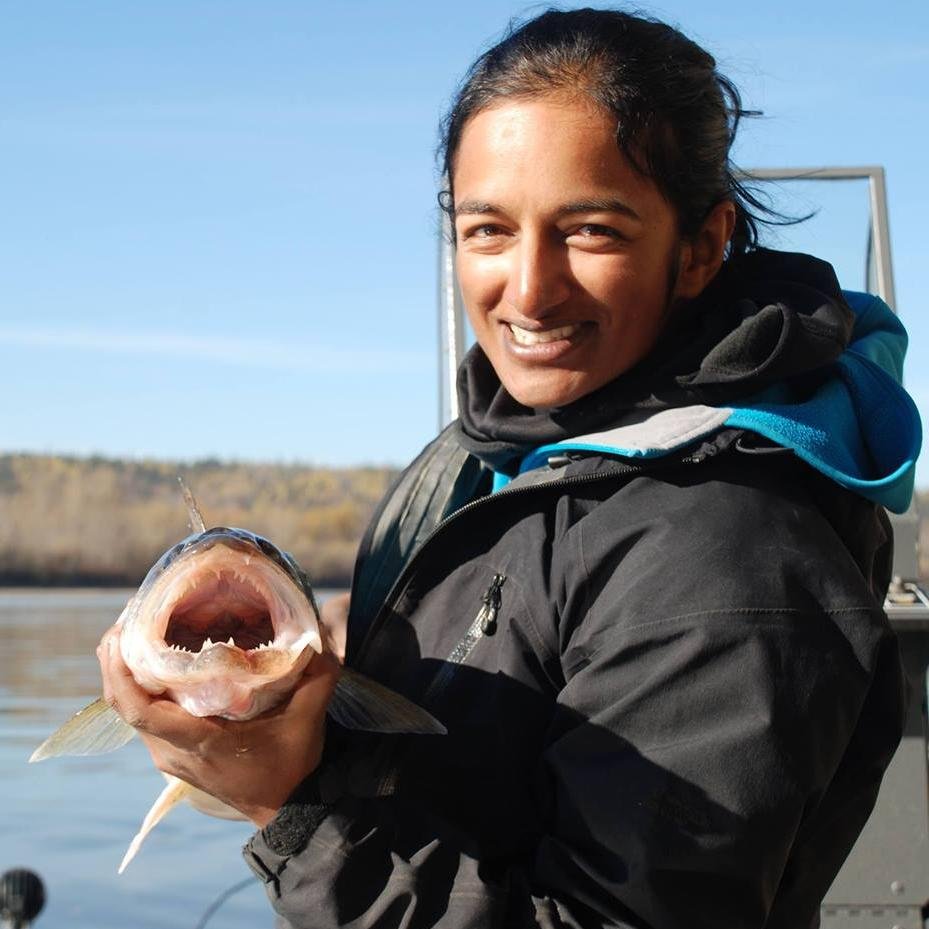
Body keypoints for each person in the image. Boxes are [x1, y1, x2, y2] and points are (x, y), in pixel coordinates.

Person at [98, 8, 921, 928]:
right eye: (487, 229)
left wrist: (284, 808)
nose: (528, 290)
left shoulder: (728, 547)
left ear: (700, 246)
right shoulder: (497, 446)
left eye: (591, 230)